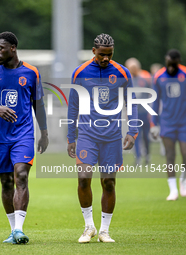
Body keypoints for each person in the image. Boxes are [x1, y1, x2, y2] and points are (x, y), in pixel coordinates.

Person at [0, 31, 48, 244]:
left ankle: (19, 229)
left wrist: (44, 133)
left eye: (0, 48)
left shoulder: (31, 72)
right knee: (6, 182)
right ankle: (12, 230)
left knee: (21, 176)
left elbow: (38, 104)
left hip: (23, 133)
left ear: (13, 48)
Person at [67, 33, 138, 243]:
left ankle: (104, 231)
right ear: (93, 51)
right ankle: (89, 227)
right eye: (101, 55)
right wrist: (71, 136)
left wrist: (132, 131)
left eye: (109, 54)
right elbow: (73, 106)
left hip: (112, 136)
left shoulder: (123, 73)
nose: (105, 59)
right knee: (83, 179)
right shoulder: (80, 72)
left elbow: (131, 103)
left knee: (108, 182)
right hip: (87, 134)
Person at [150, 49, 186, 200]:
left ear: (178, 61)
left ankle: (183, 181)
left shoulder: (184, 73)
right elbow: (155, 100)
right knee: (170, 155)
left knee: (185, 155)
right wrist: (154, 123)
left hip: (184, 122)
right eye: (168, 64)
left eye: (174, 64)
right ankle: (173, 190)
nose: (171, 67)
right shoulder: (159, 76)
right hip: (167, 122)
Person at [125, 58, 151, 165]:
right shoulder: (127, 80)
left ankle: (147, 155)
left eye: (134, 67)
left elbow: (152, 94)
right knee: (135, 136)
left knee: (146, 136)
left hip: (145, 111)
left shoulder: (145, 78)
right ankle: (138, 158)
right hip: (134, 113)